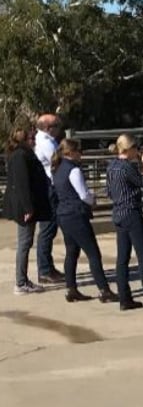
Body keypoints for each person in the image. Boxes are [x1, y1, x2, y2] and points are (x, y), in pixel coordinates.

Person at [51, 139, 118, 304]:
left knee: (72, 252)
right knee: (93, 253)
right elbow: (83, 195)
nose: (81, 154)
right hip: (76, 214)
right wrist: (93, 200)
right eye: (79, 151)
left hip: (63, 214)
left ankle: (71, 288)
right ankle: (104, 290)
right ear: (70, 152)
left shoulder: (57, 168)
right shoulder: (74, 170)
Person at [105, 134, 143, 311]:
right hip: (132, 212)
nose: (138, 150)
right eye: (135, 147)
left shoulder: (111, 167)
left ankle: (124, 297)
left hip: (118, 213)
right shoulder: (127, 168)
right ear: (128, 149)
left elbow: (109, 191)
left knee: (123, 257)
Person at [3, 120, 52, 295]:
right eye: (31, 138)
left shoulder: (23, 154)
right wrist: (28, 208)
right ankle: (21, 281)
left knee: (26, 242)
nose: (35, 141)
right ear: (24, 139)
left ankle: (22, 280)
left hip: (26, 205)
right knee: (24, 243)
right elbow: (22, 185)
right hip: (24, 207)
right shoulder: (20, 156)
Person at [33, 113, 63, 284]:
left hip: (49, 186)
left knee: (49, 229)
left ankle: (47, 267)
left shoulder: (45, 140)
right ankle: (44, 269)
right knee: (47, 229)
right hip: (49, 187)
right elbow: (57, 161)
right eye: (57, 126)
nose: (59, 129)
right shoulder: (46, 143)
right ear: (48, 127)